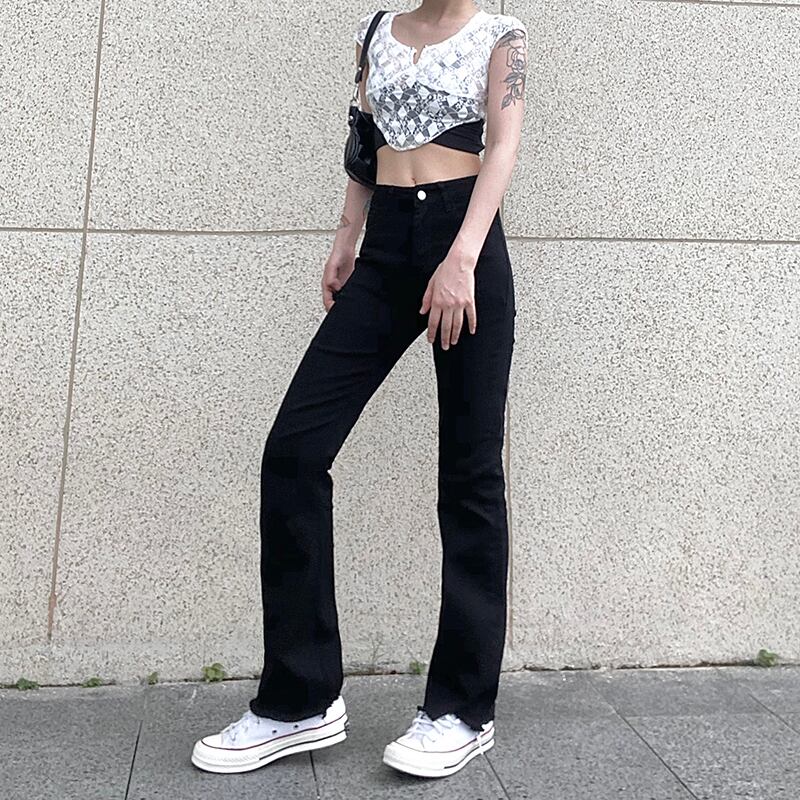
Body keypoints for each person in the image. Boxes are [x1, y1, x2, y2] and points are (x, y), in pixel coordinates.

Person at [191, 0, 527, 780]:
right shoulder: (377, 31)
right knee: (293, 454)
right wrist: (347, 238)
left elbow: (504, 147)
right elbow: (364, 137)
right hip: (385, 251)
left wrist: (462, 259)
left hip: (465, 245)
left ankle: (461, 709)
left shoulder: (501, 37)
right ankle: (299, 699)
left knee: (470, 476)